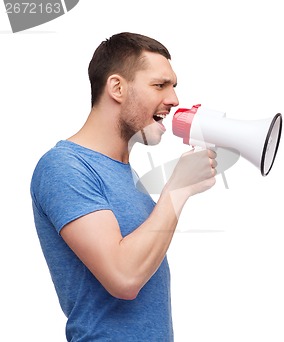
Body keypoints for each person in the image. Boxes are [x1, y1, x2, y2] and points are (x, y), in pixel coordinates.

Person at [30, 32, 217, 341]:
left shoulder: (127, 175)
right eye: (160, 85)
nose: (174, 100)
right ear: (117, 87)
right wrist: (178, 189)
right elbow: (124, 277)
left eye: (173, 87)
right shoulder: (63, 166)